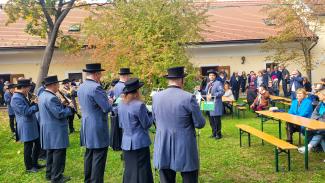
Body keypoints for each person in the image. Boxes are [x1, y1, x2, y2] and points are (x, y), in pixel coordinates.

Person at [152, 66, 205, 183]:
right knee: (189, 178)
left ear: (168, 80)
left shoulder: (156, 97)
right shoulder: (188, 97)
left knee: (166, 179)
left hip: (163, 144)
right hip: (184, 145)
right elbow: (200, 123)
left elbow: (154, 119)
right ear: (182, 80)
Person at [77, 63, 112, 183]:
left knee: (89, 153)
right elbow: (106, 108)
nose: (101, 76)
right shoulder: (96, 87)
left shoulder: (81, 86)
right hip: (96, 125)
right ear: (96, 74)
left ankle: (88, 180)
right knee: (99, 155)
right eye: (100, 74)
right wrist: (110, 101)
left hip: (86, 123)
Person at [118, 78, 154, 183]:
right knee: (142, 170)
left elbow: (120, 123)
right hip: (139, 143)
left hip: (126, 142)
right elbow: (146, 124)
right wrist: (151, 115)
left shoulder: (121, 104)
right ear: (137, 91)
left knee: (130, 170)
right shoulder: (139, 105)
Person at [39, 76, 73, 182]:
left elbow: (52, 110)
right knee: (59, 153)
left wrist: (61, 105)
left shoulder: (42, 95)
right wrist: (69, 108)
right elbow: (59, 114)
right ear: (53, 85)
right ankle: (57, 177)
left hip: (48, 128)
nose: (58, 86)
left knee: (50, 152)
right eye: (57, 84)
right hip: (56, 129)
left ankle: (49, 174)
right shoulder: (51, 97)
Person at [11, 79, 45, 173]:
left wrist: (33, 103)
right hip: (26, 125)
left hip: (32, 124)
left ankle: (35, 163)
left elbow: (28, 107)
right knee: (28, 147)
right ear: (23, 88)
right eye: (28, 88)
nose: (29, 90)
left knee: (38, 144)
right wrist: (37, 105)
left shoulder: (22, 95)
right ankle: (29, 167)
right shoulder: (16, 98)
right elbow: (26, 112)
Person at [298, 89, 325, 154]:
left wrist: (318, 120)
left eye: (320, 95)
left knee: (320, 132)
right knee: (306, 129)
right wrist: (315, 122)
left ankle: (309, 146)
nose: (318, 96)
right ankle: (314, 146)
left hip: (322, 125)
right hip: (319, 124)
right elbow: (314, 114)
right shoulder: (320, 104)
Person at [204, 69, 225, 139]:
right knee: (211, 120)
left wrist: (212, 94)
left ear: (215, 76)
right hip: (208, 103)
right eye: (210, 75)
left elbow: (222, 92)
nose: (211, 76)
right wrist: (200, 90)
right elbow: (205, 92)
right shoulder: (208, 83)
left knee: (216, 120)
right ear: (208, 76)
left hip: (215, 103)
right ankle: (213, 133)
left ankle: (218, 134)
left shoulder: (218, 83)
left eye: (213, 75)